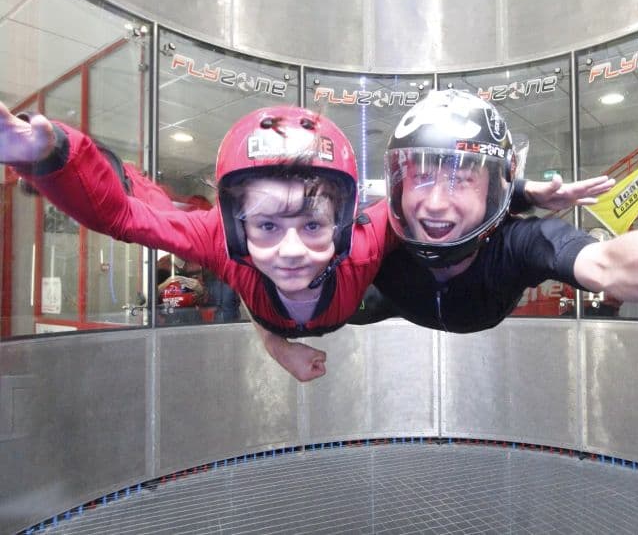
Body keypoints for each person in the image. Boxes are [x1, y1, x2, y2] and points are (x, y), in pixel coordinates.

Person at [348, 90, 638, 338]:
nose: (433, 202)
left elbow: (612, 265)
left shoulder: (521, 243)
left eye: (462, 178)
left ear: (495, 190)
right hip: (385, 303)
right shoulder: (374, 238)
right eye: (420, 176)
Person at [0, 102, 399, 380]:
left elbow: (416, 203)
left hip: (366, 294)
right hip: (295, 302)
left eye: (312, 225)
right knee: (157, 209)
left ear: (342, 224)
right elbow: (122, 216)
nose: (292, 252)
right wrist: (54, 155)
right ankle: (126, 176)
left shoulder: (365, 243)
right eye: (267, 226)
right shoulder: (217, 238)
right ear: (236, 228)